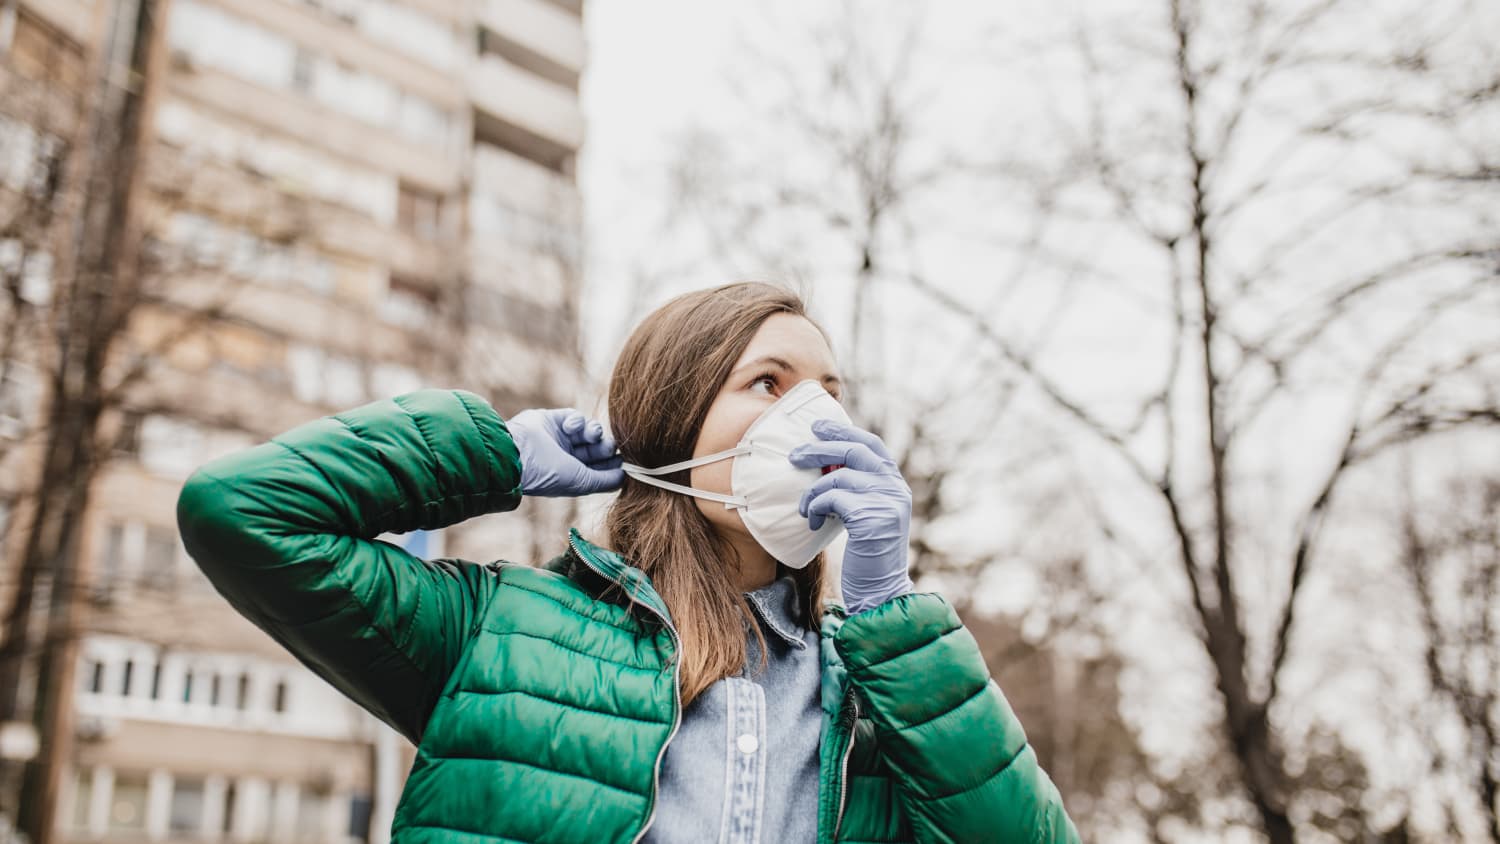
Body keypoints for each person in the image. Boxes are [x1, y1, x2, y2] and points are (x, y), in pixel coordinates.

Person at [176, 282, 1078, 843]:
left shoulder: (877, 694)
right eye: (769, 383)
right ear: (676, 423)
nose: (818, 422)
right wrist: (496, 454)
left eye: (830, 395)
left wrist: (891, 618)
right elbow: (244, 513)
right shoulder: (503, 638)